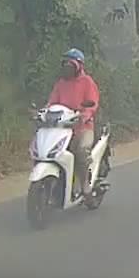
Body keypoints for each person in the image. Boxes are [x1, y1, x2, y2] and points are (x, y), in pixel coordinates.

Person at [47, 48, 100, 197]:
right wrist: (44, 113)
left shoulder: (87, 82)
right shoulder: (60, 84)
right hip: (62, 129)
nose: (67, 68)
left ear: (79, 66)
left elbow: (93, 103)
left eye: (71, 65)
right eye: (65, 65)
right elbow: (51, 103)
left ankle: (85, 184)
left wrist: (85, 115)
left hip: (83, 127)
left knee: (81, 151)